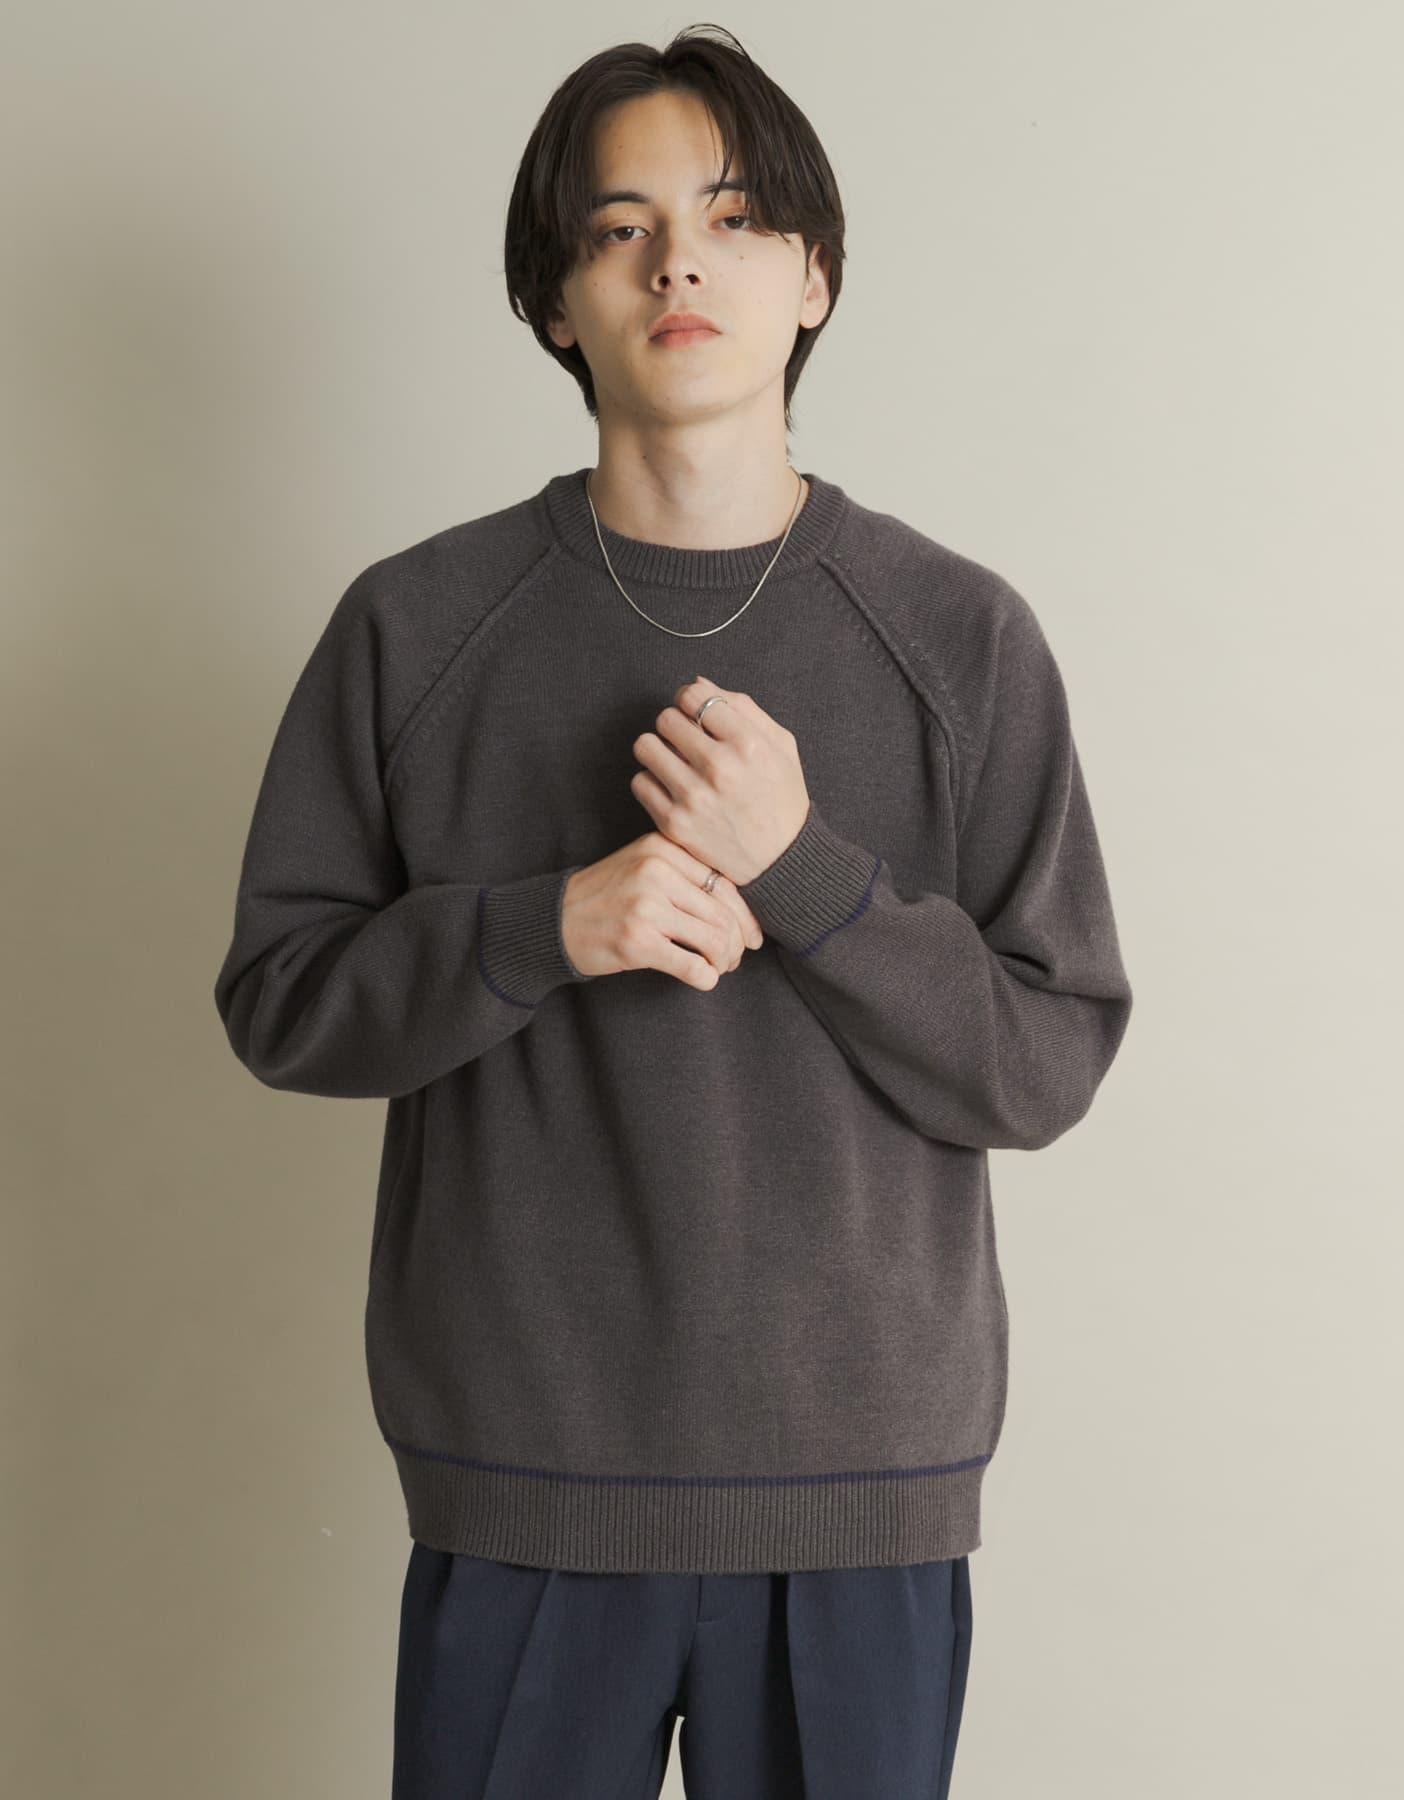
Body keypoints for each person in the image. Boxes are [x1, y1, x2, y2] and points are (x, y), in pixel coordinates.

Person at [212, 23, 1133, 1799]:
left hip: (862, 1487)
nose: (677, 264)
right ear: (556, 302)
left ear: (815, 275)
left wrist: (807, 873)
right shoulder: (418, 626)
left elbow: (1046, 1058)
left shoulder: (960, 638)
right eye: (618, 228)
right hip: (521, 1480)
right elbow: (281, 998)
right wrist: (541, 927)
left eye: (730, 217)